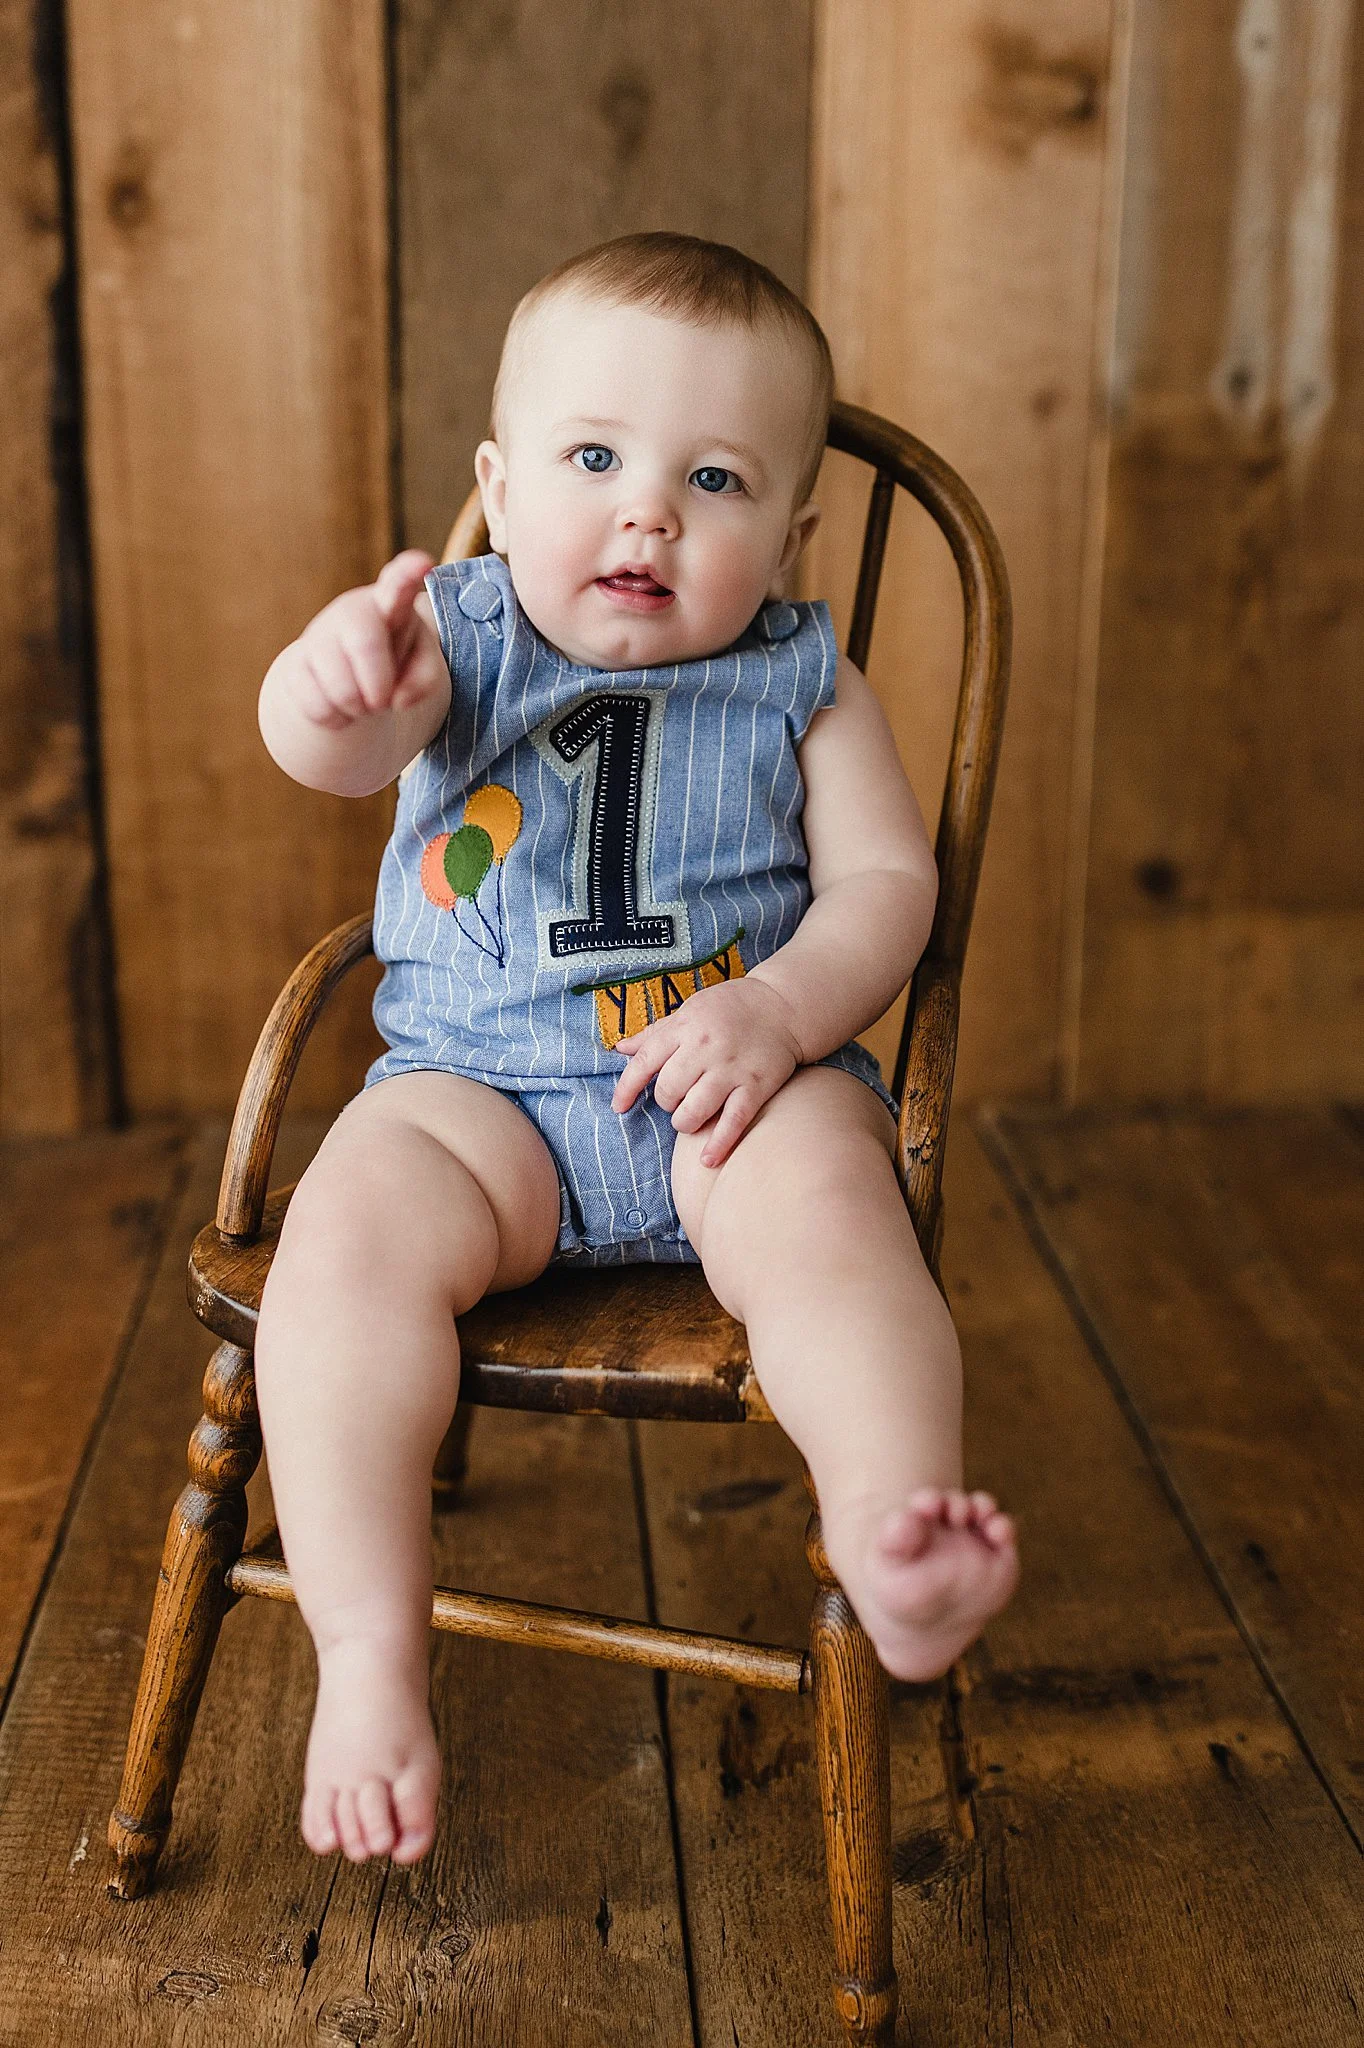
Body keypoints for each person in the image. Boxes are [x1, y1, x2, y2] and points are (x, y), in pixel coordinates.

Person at [254, 232, 1019, 1870]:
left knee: (840, 1231)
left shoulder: (805, 683)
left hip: (731, 1094)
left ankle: (897, 1532)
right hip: (481, 1109)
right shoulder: (456, 636)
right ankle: (372, 1655)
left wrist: (784, 1013)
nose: (647, 510)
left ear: (795, 531)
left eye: (717, 477)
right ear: (503, 487)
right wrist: (332, 686)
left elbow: (891, 887)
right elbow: (339, 748)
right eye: (593, 459)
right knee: (343, 1244)